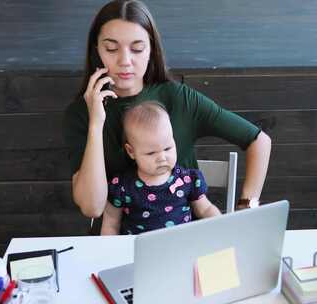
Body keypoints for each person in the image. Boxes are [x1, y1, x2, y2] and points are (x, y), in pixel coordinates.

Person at [62, 0, 271, 234]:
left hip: (183, 241)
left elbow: (259, 141)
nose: (125, 61)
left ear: (151, 50)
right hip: (116, 245)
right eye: (111, 49)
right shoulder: (79, 114)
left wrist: (247, 206)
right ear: (97, 50)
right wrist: (95, 123)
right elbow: (92, 208)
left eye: (137, 48)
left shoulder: (179, 99)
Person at [101, 101, 221, 235]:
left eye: (167, 148)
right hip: (141, 250)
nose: (162, 157)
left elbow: (205, 209)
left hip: (181, 246)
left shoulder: (187, 179)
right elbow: (111, 223)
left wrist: (222, 226)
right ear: (131, 151)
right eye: (151, 153)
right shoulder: (122, 187)